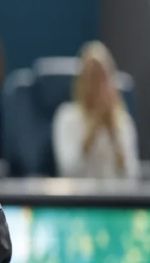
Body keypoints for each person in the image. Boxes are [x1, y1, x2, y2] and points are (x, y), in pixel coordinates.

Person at [53, 42, 140, 179]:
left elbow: (132, 176)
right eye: (93, 77)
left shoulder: (122, 120)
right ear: (81, 81)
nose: (98, 85)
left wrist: (114, 134)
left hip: (115, 192)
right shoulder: (67, 116)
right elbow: (68, 171)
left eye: (103, 77)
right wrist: (93, 130)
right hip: (80, 192)